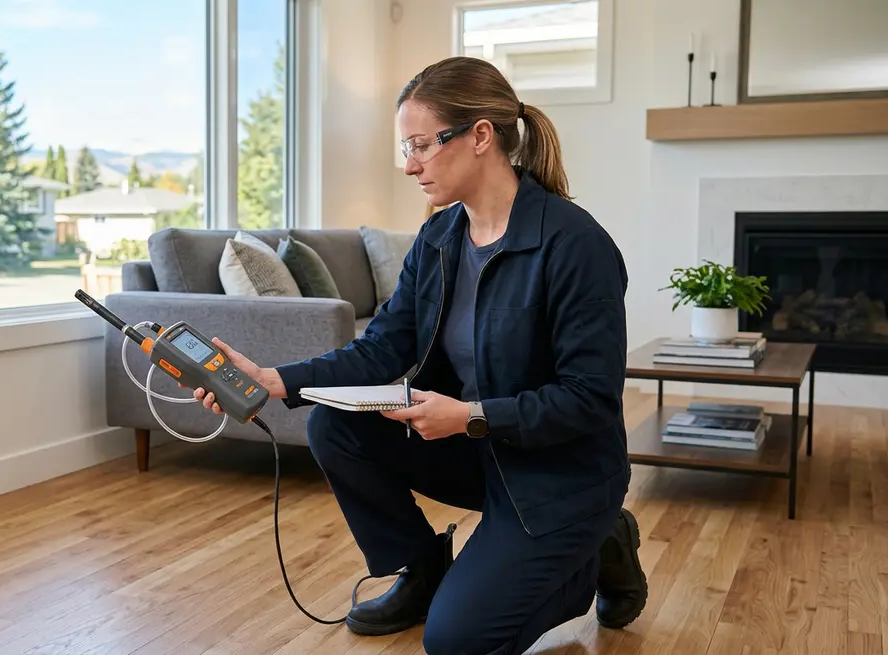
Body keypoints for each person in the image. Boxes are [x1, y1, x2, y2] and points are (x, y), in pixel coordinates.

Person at [191, 56, 647, 655]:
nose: (410, 166)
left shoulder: (574, 245)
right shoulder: (438, 239)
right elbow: (385, 346)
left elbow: (589, 398)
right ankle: (423, 569)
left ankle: (598, 544)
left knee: (456, 643)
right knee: (335, 425)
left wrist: (469, 416)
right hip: (480, 452)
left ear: (481, 135)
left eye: (421, 146)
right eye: (404, 148)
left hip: (560, 475)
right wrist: (275, 380)